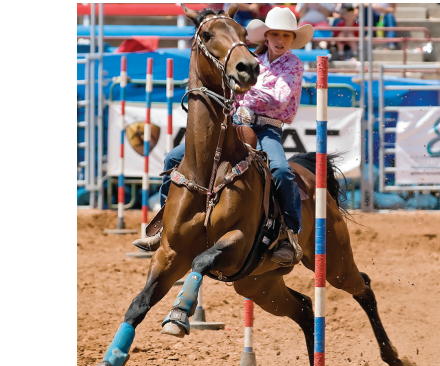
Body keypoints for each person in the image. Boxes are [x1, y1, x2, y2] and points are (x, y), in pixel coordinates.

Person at [133, 7, 314, 267]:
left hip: (265, 128)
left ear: (292, 39)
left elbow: (280, 98)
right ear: (266, 36)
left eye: (286, 35)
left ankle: (289, 235)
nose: (280, 39)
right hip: (235, 123)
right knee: (174, 158)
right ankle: (165, 225)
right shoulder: (251, 58)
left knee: (282, 170)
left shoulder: (294, 65)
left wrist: (245, 89)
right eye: (275, 34)